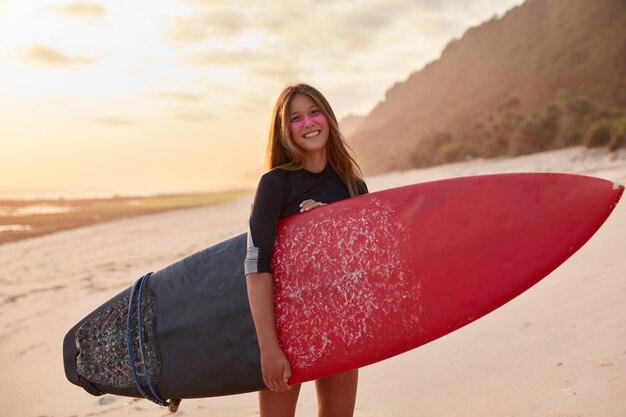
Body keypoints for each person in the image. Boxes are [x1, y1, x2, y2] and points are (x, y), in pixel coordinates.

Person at [244, 83, 368, 417]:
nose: (308, 122)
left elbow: (363, 259)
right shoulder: (274, 185)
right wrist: (268, 348)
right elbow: (256, 267)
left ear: (328, 117)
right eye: (296, 117)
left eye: (314, 112)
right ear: (285, 130)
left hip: (340, 322)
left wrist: (326, 227)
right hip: (287, 328)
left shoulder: (353, 187)